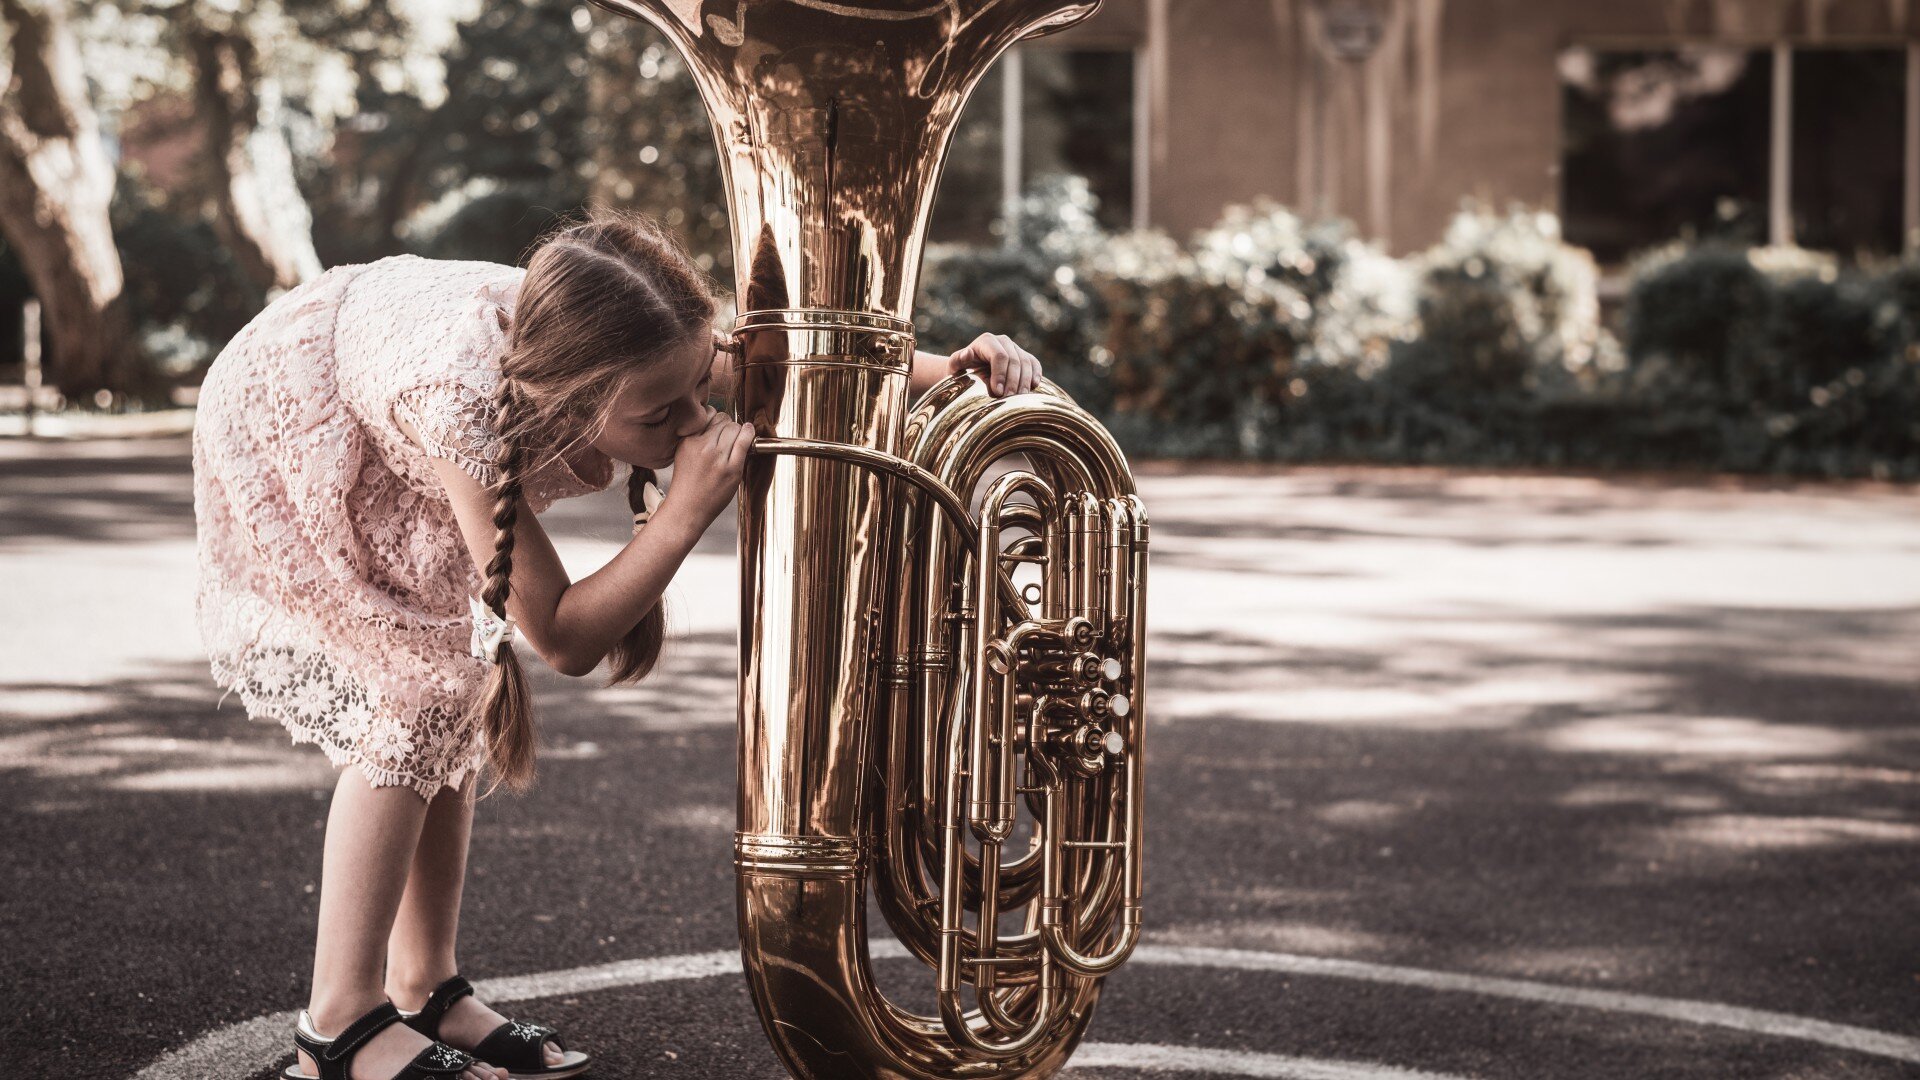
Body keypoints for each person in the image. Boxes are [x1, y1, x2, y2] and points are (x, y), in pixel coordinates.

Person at [190, 205, 1044, 1080]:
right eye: (660, 415)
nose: (693, 423)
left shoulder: (649, 343)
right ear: (569, 401)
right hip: (301, 411)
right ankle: (339, 1026)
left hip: (388, 358)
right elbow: (560, 634)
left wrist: (956, 369)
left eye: (698, 396)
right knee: (417, 695)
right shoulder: (455, 404)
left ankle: (424, 986)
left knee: (453, 687)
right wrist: (679, 517)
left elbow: (785, 359)